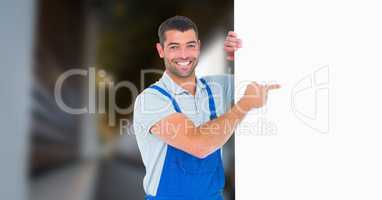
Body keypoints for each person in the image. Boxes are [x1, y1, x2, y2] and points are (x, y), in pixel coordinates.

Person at [133, 15, 280, 200]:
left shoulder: (218, 87)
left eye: (190, 45)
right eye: (174, 47)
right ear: (160, 50)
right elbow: (199, 145)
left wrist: (244, 56)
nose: (184, 54)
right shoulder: (150, 100)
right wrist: (243, 106)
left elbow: (265, 81)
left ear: (199, 46)